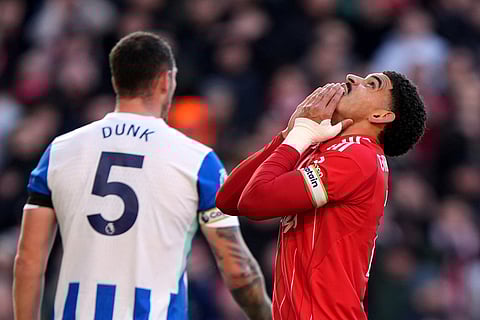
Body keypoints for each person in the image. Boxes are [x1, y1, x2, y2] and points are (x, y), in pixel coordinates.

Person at [13, 31, 272, 320]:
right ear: (166, 80)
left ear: (116, 81)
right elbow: (238, 271)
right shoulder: (198, 161)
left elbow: (29, 261)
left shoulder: (60, 151)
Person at [216, 72, 427, 319]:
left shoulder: (357, 156)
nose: (351, 78)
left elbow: (255, 201)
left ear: (380, 116)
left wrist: (299, 137)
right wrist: (289, 134)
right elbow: (228, 200)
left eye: (371, 84)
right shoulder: (327, 149)